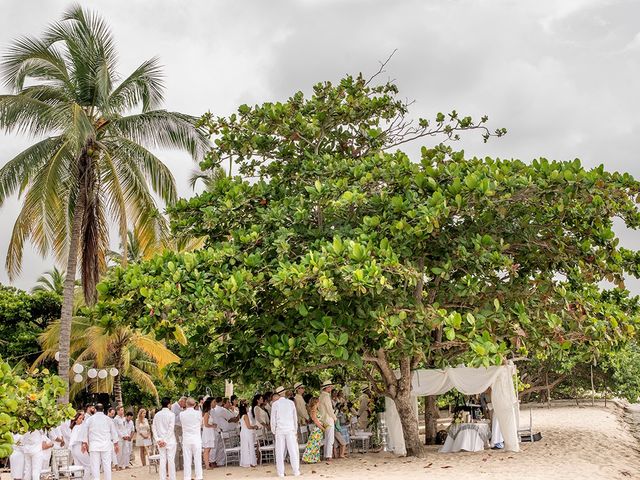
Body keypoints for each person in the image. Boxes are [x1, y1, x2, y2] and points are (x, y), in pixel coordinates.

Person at [82, 403, 119, 480]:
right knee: (107, 466)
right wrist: (116, 444)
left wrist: (84, 443)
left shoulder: (90, 419)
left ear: (95, 409)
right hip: (106, 445)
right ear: (103, 410)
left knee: (95, 466)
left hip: (94, 446)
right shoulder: (108, 419)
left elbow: (85, 432)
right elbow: (114, 432)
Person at [270, 387, 300, 478]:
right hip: (290, 429)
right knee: (293, 450)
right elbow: (295, 418)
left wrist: (274, 430)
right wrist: (295, 429)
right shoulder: (291, 403)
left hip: (280, 429)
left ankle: (281, 473)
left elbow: (273, 419)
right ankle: (296, 471)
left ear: (277, 394)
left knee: (279, 451)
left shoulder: (275, 404)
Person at [151, 398, 176, 480]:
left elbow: (153, 428)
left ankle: (162, 478)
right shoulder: (171, 414)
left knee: (162, 460)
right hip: (170, 441)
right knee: (171, 460)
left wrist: (158, 439)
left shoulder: (157, 415)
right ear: (169, 404)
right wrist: (164, 440)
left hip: (160, 441)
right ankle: (172, 478)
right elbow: (171, 429)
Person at [211, 397, 240, 466]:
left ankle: (218, 461)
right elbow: (231, 419)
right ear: (222, 402)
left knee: (218, 447)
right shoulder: (221, 410)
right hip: (225, 430)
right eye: (228, 402)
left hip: (220, 429)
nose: (229, 403)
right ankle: (220, 461)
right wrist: (239, 415)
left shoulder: (216, 410)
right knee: (221, 447)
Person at [179, 398, 202, 480]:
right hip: (196, 438)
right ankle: (199, 476)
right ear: (194, 405)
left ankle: (187, 477)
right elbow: (200, 424)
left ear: (186, 404)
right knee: (197, 458)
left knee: (187, 459)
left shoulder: (182, 414)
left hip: (186, 439)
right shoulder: (198, 413)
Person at [318, 380, 337, 461]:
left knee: (326, 438)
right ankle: (328, 456)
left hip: (323, 419)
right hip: (328, 419)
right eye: (330, 386)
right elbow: (329, 409)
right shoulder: (326, 396)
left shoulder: (321, 396)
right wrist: (335, 418)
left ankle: (327, 455)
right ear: (327, 387)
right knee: (330, 438)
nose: (331, 388)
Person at [302, 397, 324, 464]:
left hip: (319, 429)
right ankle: (308, 458)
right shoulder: (313, 410)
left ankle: (314, 458)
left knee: (317, 444)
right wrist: (322, 428)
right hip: (317, 429)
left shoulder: (316, 410)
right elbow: (315, 421)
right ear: (316, 402)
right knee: (313, 444)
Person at [69, 411, 91, 480]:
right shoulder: (79, 427)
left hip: (74, 449)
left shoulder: (75, 428)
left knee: (77, 467)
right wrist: (84, 444)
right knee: (88, 465)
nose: (81, 420)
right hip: (79, 447)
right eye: (79, 418)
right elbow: (83, 437)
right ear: (75, 420)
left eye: (82, 418)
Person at [239, 402, 260, 468]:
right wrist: (255, 427)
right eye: (247, 407)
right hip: (247, 432)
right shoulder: (245, 415)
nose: (248, 408)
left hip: (243, 432)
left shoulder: (241, 416)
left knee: (245, 446)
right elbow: (248, 426)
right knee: (249, 446)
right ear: (245, 408)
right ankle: (250, 462)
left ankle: (246, 462)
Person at [200, 398, 217, 470]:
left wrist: (212, 424)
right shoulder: (206, 414)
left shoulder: (208, 413)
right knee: (207, 449)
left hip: (209, 432)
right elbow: (206, 424)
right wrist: (213, 425)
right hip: (207, 432)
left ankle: (208, 464)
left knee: (209, 449)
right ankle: (207, 465)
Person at [171, 397, 186, 471]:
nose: (185, 405)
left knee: (181, 447)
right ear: (182, 401)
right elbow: (174, 419)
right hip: (176, 427)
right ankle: (176, 466)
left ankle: (181, 466)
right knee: (177, 447)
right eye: (184, 403)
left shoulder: (181, 408)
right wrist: (182, 413)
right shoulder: (174, 406)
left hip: (181, 428)